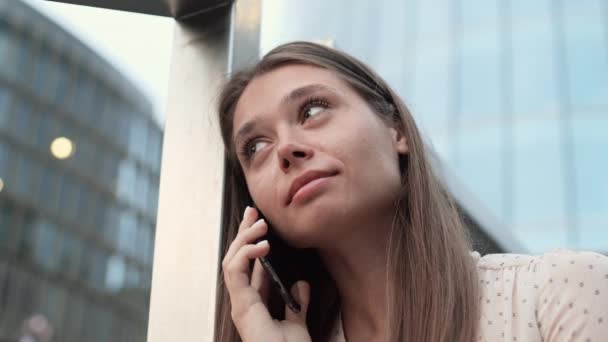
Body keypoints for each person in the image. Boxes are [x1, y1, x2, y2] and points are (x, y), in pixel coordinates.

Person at [214, 41, 608, 342]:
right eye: (256, 147)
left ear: (396, 130)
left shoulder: (560, 290)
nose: (285, 149)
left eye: (312, 111)